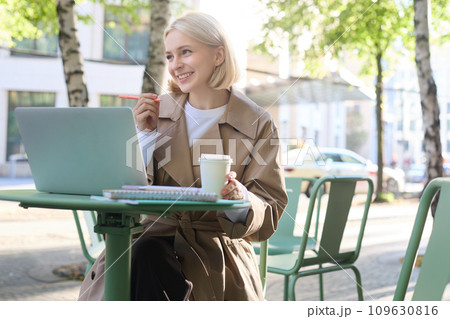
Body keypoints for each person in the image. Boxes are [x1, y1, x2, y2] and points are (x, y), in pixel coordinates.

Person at [78, 11, 288, 301]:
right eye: (169, 56)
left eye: (185, 52)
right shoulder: (154, 113)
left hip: (216, 254)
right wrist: (145, 135)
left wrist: (239, 199)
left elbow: (270, 208)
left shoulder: (257, 121)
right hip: (146, 244)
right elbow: (121, 188)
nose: (176, 65)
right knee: (145, 254)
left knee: (145, 258)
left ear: (218, 55)